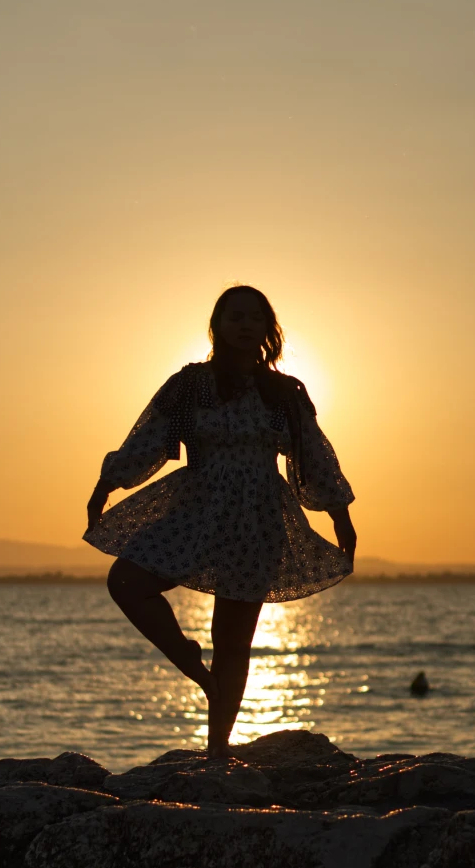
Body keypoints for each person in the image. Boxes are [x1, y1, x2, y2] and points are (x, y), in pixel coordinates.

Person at [84, 285, 356, 758]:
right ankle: (193, 665)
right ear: (218, 324)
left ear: (269, 328)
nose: (245, 324)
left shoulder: (283, 392)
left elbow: (314, 458)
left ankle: (217, 752)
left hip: (259, 518)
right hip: (197, 507)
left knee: (233, 640)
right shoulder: (190, 385)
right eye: (236, 316)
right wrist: (106, 484)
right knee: (126, 580)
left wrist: (341, 517)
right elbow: (149, 439)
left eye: (256, 316)